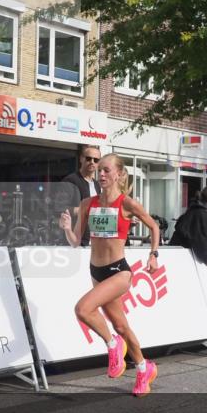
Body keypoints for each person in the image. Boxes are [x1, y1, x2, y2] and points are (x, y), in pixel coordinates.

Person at [59, 153, 161, 397]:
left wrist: (154, 254)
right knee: (120, 325)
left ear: (118, 174)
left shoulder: (127, 204)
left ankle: (113, 345)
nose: (101, 174)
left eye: (106, 170)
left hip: (119, 271)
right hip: (96, 271)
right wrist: (66, 230)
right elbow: (76, 242)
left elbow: (154, 226)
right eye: (99, 171)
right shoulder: (88, 204)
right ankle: (144, 367)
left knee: (83, 309)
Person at [171, 185, 207, 268]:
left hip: (180, 252)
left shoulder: (197, 209)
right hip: (180, 255)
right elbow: (200, 238)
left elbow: (205, 234)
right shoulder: (201, 213)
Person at [61, 145, 101, 246]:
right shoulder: (71, 181)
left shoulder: (96, 184)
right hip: (76, 241)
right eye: (88, 158)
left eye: (96, 160)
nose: (92, 162)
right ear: (81, 159)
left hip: (94, 240)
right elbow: (60, 208)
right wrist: (81, 210)